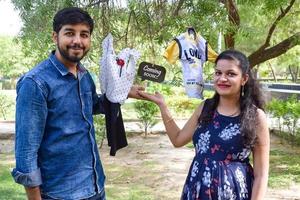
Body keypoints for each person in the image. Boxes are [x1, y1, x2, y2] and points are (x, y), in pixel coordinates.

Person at [11, 7, 144, 200]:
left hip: (95, 187)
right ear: (55, 37)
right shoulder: (36, 83)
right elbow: (26, 151)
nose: (77, 41)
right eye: (70, 33)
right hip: (60, 194)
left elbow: (93, 106)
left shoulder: (83, 75)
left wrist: (123, 92)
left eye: (84, 34)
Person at [138, 49, 269, 199]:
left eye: (231, 74)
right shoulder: (205, 108)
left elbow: (261, 174)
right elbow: (178, 139)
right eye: (218, 73)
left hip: (233, 192)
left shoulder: (256, 117)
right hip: (198, 188)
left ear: (244, 79)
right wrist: (162, 105)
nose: (222, 78)